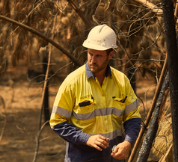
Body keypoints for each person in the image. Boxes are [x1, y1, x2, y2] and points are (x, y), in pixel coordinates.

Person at [50, 25, 142, 161]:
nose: (92, 60)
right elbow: (57, 122)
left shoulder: (121, 81)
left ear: (110, 54)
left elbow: (133, 117)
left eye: (98, 56)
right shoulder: (72, 82)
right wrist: (86, 138)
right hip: (81, 158)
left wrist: (128, 143)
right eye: (90, 54)